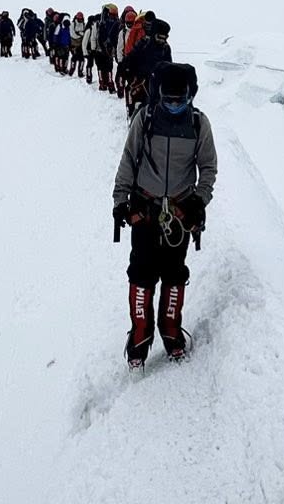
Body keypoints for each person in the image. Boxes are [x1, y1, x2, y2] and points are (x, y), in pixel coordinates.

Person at [112, 62, 216, 366]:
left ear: (189, 96)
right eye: (168, 100)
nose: (173, 105)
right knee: (141, 274)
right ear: (159, 95)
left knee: (174, 273)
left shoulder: (199, 124)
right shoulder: (144, 119)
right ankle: (139, 341)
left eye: (179, 100)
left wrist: (199, 201)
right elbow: (129, 160)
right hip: (145, 209)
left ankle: (171, 334)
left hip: (180, 215)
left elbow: (208, 167)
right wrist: (121, 201)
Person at [118, 16, 172, 109]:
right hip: (141, 84)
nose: (162, 41)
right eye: (160, 37)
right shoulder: (143, 44)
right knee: (137, 108)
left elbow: (169, 66)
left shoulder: (166, 48)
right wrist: (124, 68)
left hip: (157, 87)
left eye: (165, 37)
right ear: (154, 34)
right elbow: (131, 57)